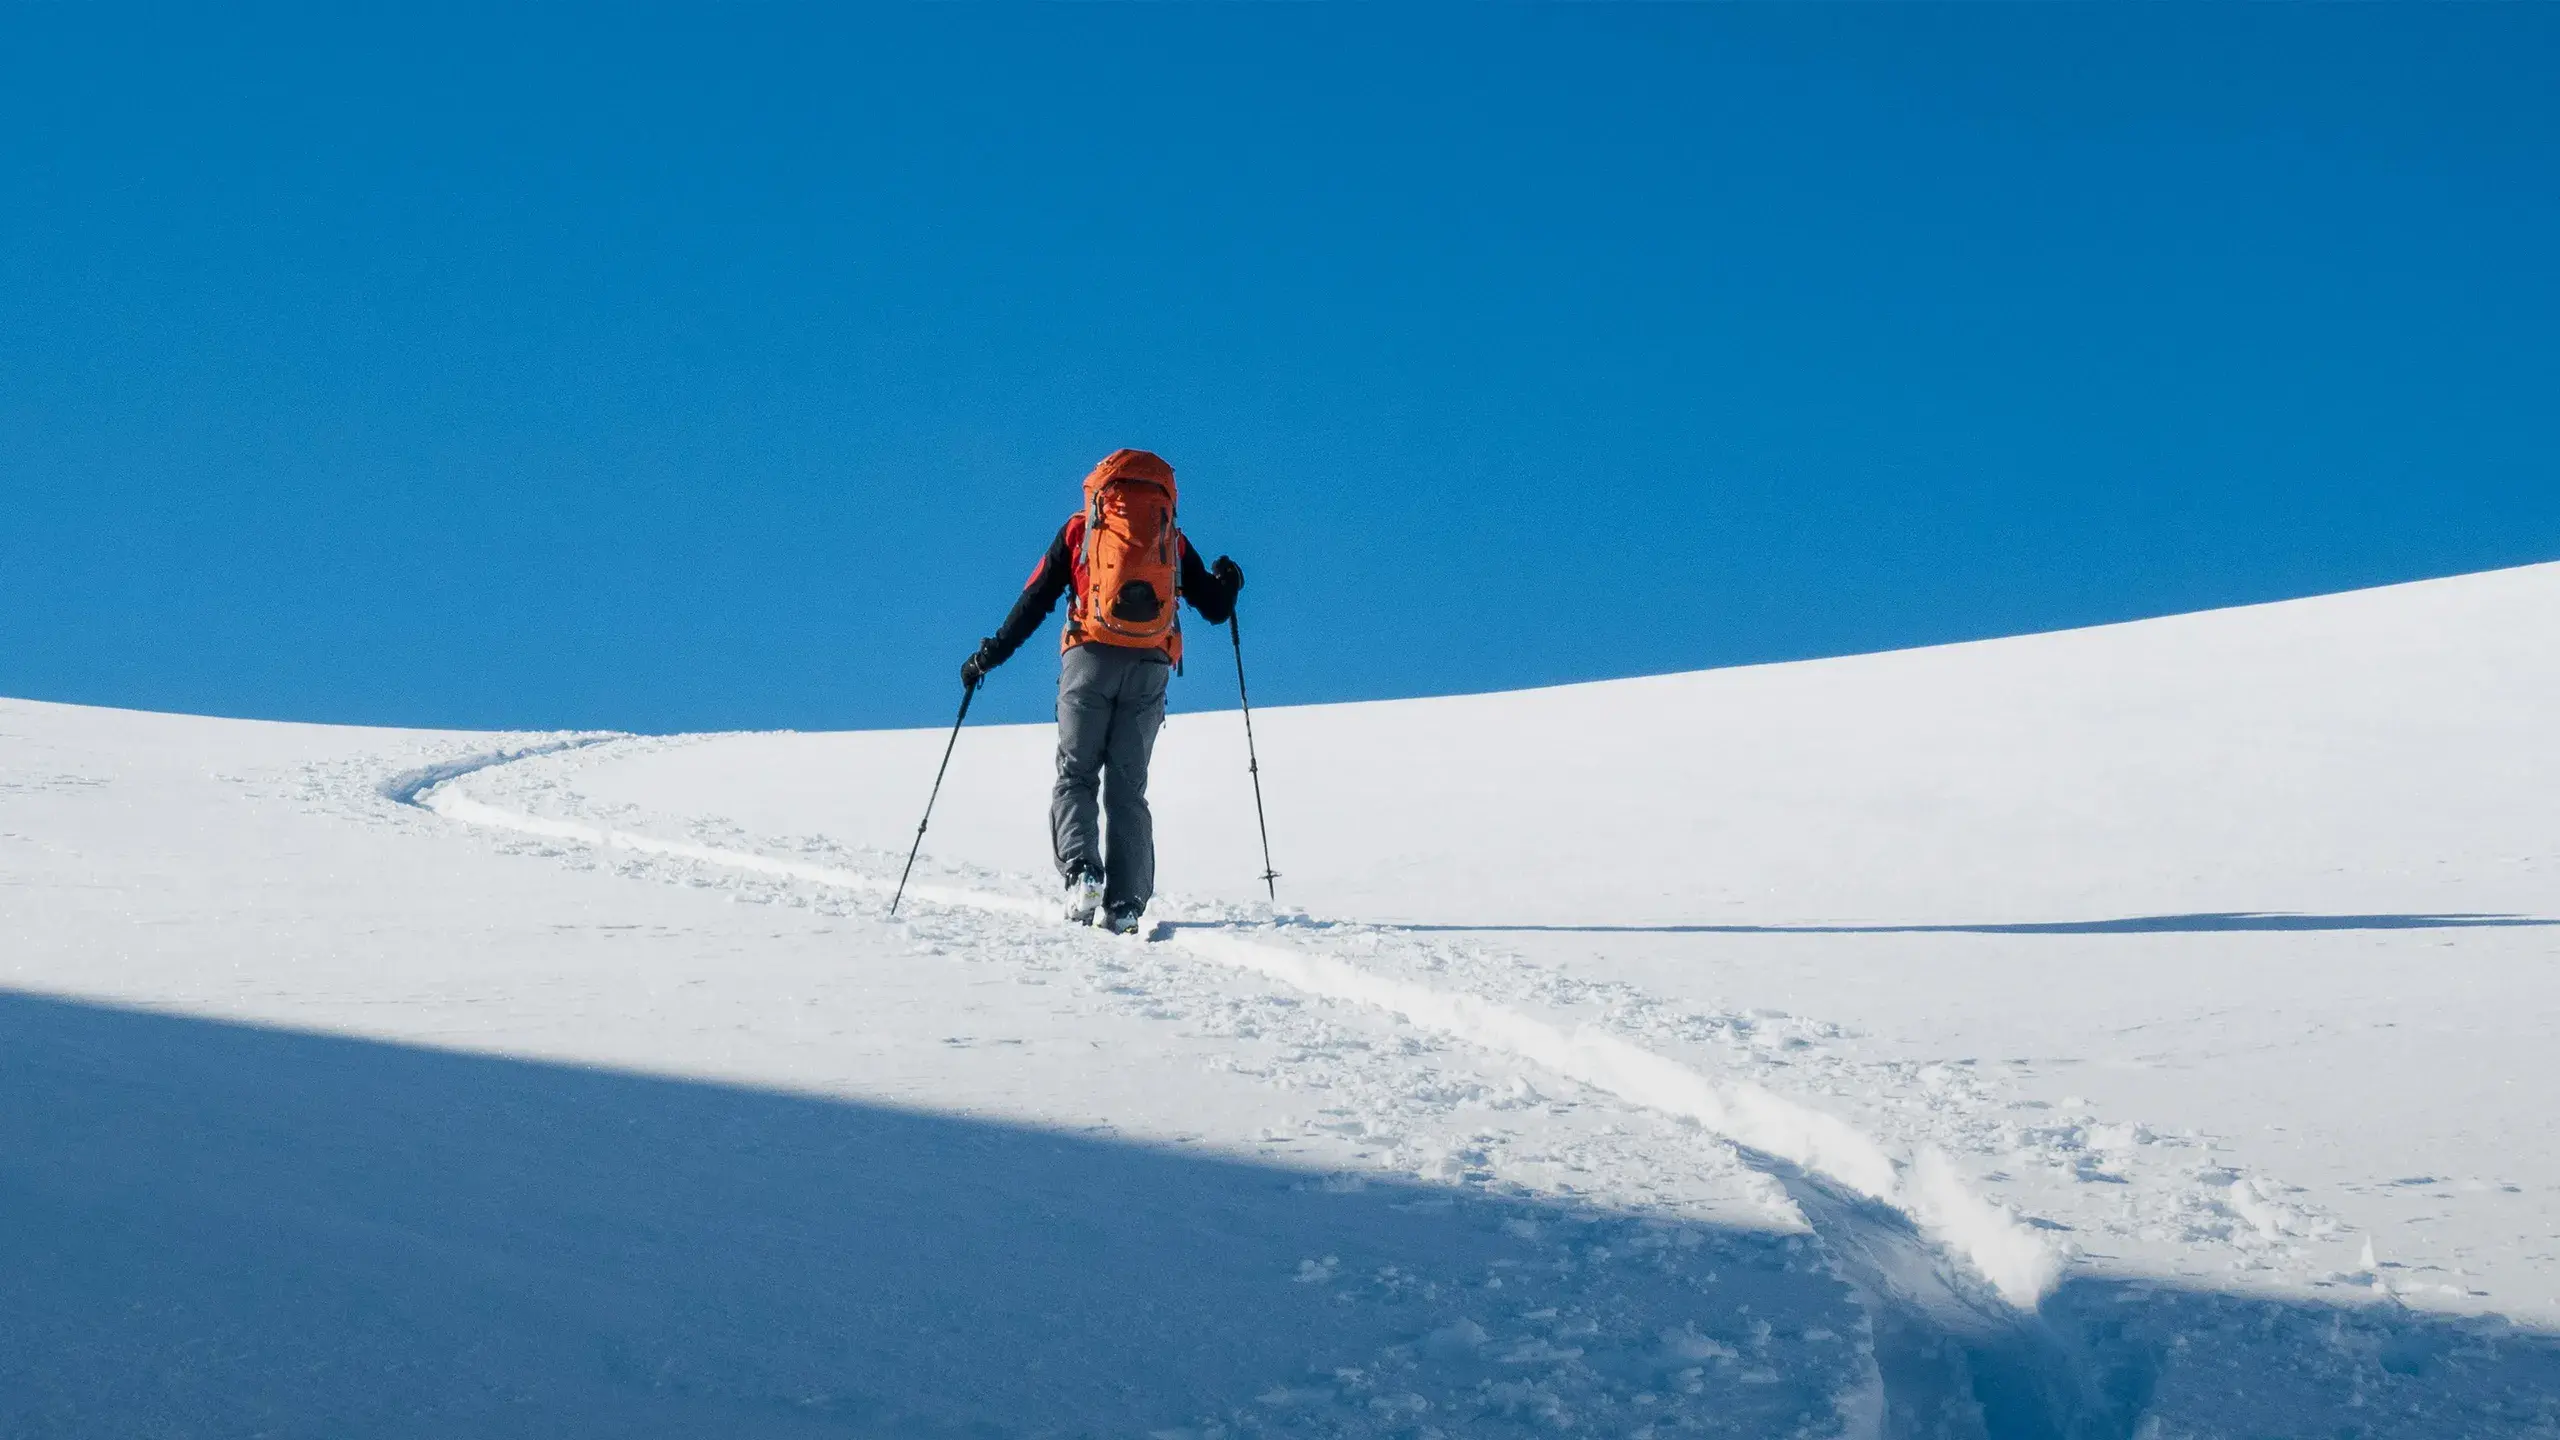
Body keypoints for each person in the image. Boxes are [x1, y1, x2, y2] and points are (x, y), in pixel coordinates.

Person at [961, 449, 1243, 935]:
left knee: (1076, 774)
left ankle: (1083, 873)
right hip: (1150, 665)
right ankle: (1127, 902)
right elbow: (1215, 608)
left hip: (1088, 661)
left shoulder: (1080, 531)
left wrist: (988, 655)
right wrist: (1229, 582)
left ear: (1100, 490)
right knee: (1128, 788)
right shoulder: (1168, 537)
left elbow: (1033, 601)